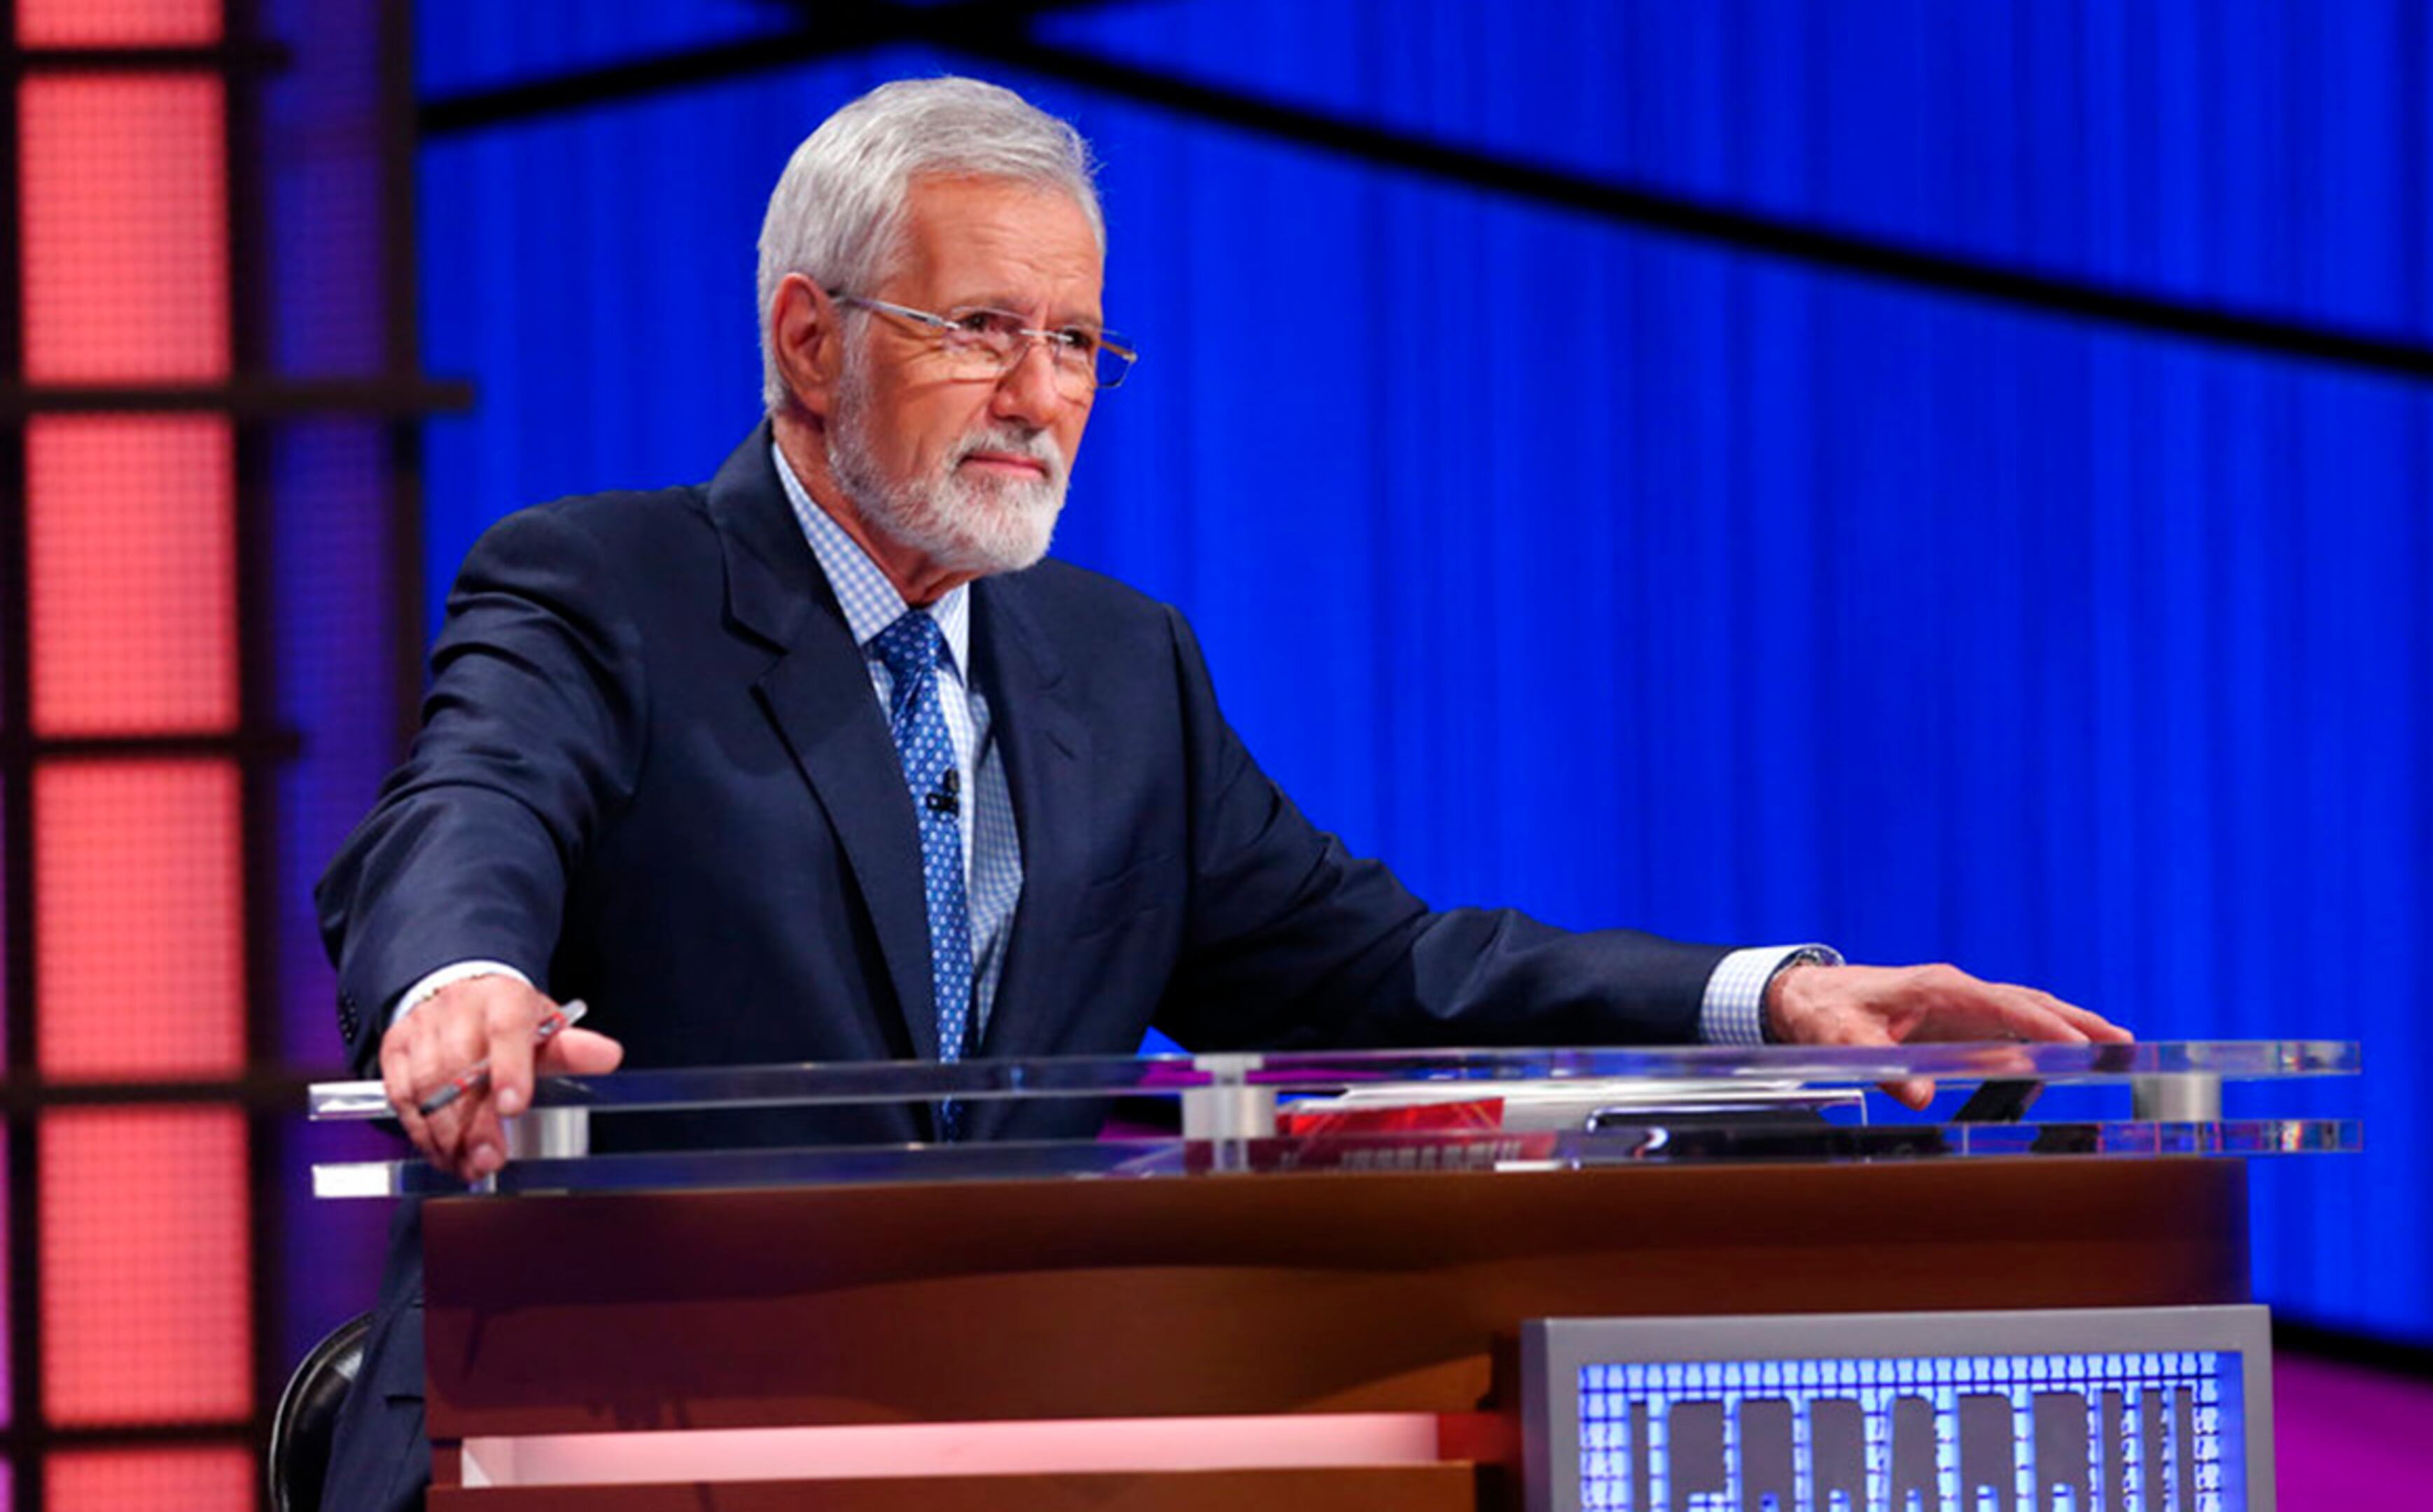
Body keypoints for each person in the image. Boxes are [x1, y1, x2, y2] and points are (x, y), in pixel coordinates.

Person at [313, 76, 2124, 1509]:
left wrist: (1778, 1000)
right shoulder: (599, 589)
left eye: (1079, 341)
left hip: (995, 1449)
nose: (1044, 394)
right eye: (980, 330)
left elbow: (1386, 969)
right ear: (809, 342)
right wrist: (457, 981)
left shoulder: (1120, 667)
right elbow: (474, 808)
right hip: (597, 1427)